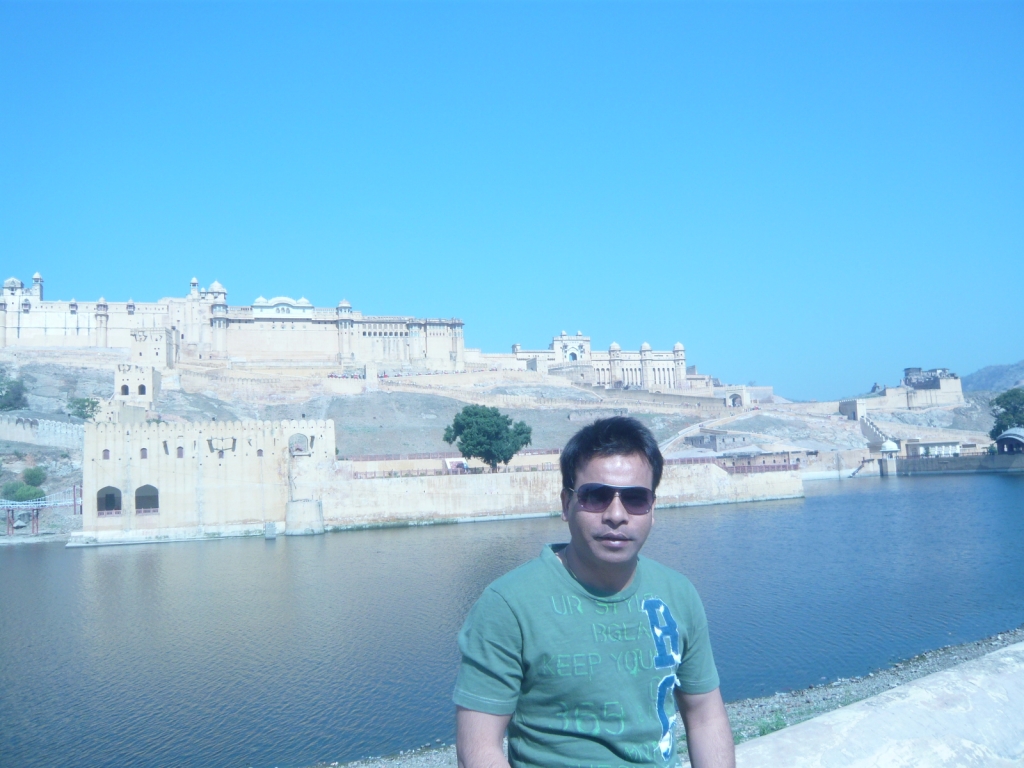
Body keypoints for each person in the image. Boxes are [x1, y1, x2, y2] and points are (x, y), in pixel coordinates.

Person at [453, 416, 734, 768]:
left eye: (635, 499)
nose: (616, 515)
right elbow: (478, 749)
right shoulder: (509, 606)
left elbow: (705, 716)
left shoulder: (678, 594)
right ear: (566, 504)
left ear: (652, 509)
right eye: (596, 496)